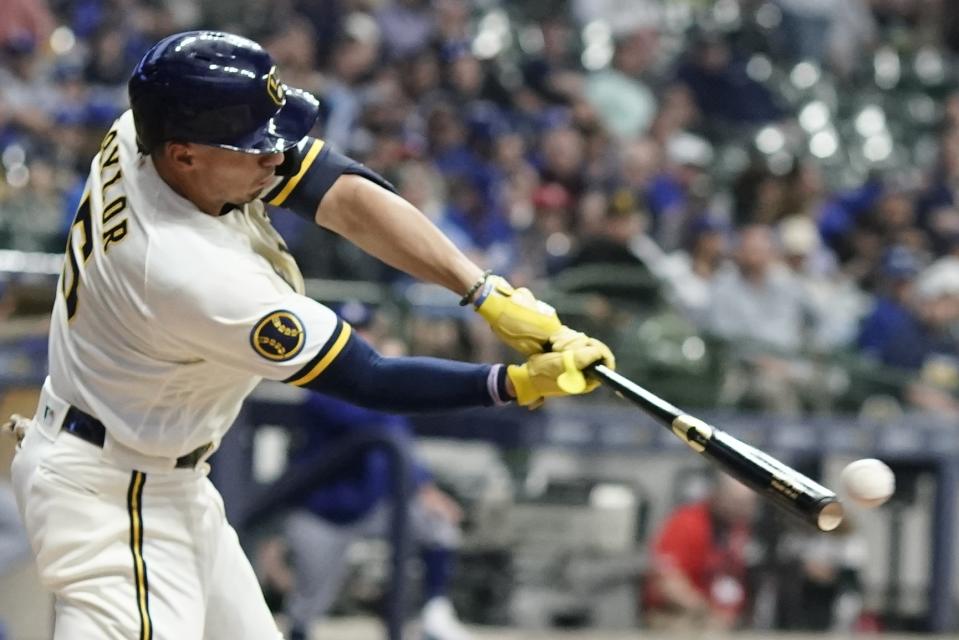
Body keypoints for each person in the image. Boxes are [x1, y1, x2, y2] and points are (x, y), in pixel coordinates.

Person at [5, 31, 614, 639]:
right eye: (253, 146)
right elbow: (370, 377)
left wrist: (485, 293)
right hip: (113, 497)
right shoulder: (189, 273)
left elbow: (338, 191)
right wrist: (512, 384)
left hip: (158, 475)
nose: (274, 156)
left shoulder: (147, 130)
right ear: (186, 154)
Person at [279, 304, 473, 640]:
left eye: (364, 330)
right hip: (322, 514)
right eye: (351, 330)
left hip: (373, 506)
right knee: (308, 607)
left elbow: (401, 439)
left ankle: (435, 613)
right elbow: (367, 418)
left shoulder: (375, 379)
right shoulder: (316, 382)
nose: (359, 338)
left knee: (438, 525)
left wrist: (425, 487)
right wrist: (390, 377)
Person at [643, 473, 757, 631]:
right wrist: (707, 611)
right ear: (717, 495)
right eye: (736, 502)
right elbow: (668, 582)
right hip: (683, 614)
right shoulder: (687, 522)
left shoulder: (743, 527)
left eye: (748, 504)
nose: (742, 509)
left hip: (733, 619)